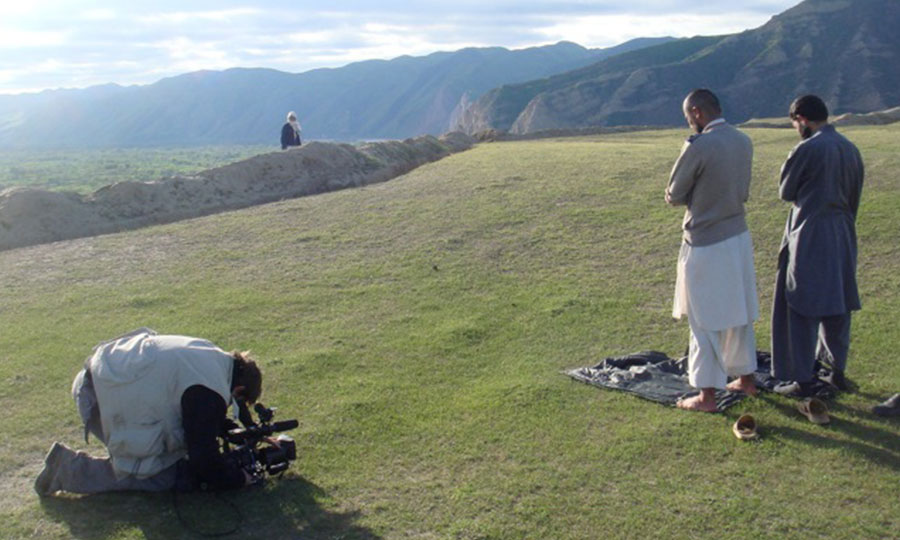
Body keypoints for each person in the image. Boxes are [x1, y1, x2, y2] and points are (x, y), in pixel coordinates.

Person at [34, 328, 263, 496]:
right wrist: (237, 478)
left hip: (99, 378)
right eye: (237, 401)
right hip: (100, 399)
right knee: (157, 476)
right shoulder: (209, 391)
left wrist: (225, 427)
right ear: (239, 388)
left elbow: (190, 405)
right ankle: (65, 469)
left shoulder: (211, 356)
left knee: (171, 454)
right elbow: (202, 457)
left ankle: (66, 468)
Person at [666, 88, 759, 413]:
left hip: (705, 240)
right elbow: (744, 190)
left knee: (703, 318)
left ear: (696, 112)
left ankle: (707, 396)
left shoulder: (699, 146)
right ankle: (746, 378)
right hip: (738, 235)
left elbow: (674, 193)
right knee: (740, 311)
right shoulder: (743, 140)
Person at [771, 95, 864, 396]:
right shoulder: (850, 149)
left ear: (802, 119)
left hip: (810, 232)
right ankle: (836, 370)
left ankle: (803, 377)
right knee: (838, 304)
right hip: (843, 231)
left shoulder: (808, 148)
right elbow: (854, 196)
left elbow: (786, 191)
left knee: (802, 303)